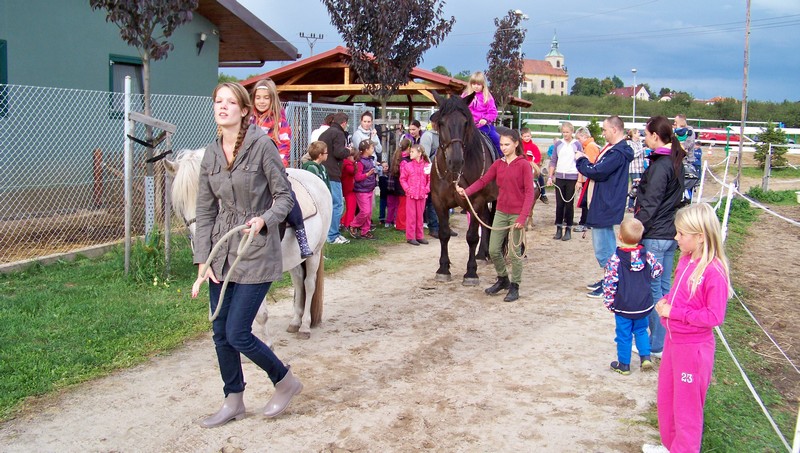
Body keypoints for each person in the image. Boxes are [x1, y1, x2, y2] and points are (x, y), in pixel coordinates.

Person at [191, 82, 302, 428]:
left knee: (239, 332)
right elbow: (205, 211)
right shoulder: (210, 154)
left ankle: (284, 381)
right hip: (221, 253)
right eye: (217, 101)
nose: (222, 107)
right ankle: (233, 399)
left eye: (229, 102)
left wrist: (265, 219)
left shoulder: (262, 146)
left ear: (243, 109)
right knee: (220, 332)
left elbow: (284, 197)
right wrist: (202, 261)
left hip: (256, 251)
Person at [643, 203, 731, 453]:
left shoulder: (714, 272)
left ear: (700, 237)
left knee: (687, 407)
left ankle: (686, 449)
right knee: (668, 397)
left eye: (681, 234)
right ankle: (672, 446)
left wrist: (676, 313)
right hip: (674, 341)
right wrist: (667, 301)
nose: (676, 238)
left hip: (693, 349)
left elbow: (714, 315)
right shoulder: (687, 260)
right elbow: (680, 293)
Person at [456, 127, 535, 302]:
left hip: (517, 214)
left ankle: (515, 285)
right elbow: (484, 180)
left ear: (516, 144)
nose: (504, 147)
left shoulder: (523, 165)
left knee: (514, 254)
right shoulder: (498, 164)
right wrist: (466, 192)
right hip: (501, 212)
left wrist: (523, 218)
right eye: (501, 145)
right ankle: (503, 279)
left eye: (507, 144)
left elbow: (529, 193)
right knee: (493, 250)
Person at [634, 115, 686, 359]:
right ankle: (665, 339)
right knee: (665, 288)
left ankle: (655, 344)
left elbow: (651, 203)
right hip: (669, 234)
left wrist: (635, 230)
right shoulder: (675, 162)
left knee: (655, 291)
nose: (645, 139)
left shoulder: (660, 165)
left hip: (654, 234)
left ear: (656, 136)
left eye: (646, 134)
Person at [250, 79, 312, 259]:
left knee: (288, 196)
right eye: (258, 98)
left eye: (266, 98)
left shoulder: (280, 121)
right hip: (250, 169)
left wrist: (275, 169)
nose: (261, 101)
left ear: (272, 100)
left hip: (273, 169)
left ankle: (302, 237)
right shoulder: (248, 120)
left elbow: (283, 147)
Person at [576, 115, 634, 299]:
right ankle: (608, 278)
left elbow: (598, 172)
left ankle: (611, 282)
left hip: (606, 203)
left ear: (615, 130)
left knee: (604, 247)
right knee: (604, 243)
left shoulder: (617, 152)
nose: (603, 133)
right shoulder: (614, 150)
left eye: (605, 129)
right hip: (606, 201)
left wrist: (581, 161)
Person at [602, 218, 663, 375]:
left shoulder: (615, 260)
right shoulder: (647, 255)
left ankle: (624, 364)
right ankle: (645, 358)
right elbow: (658, 271)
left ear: (620, 237)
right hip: (643, 304)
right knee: (641, 330)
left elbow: (609, 283)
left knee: (623, 335)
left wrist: (609, 302)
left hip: (624, 305)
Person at [546, 122, 582, 241]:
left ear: (572, 132)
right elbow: (553, 161)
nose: (565, 134)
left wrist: (579, 180)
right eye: (564, 132)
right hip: (560, 177)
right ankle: (558, 228)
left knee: (569, 204)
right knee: (559, 204)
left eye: (567, 132)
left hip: (572, 177)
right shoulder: (558, 144)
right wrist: (550, 177)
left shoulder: (576, 144)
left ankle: (568, 229)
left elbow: (580, 162)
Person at [320, 112, 352, 244]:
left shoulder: (325, 133)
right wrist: (348, 151)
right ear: (343, 123)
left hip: (322, 171)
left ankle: (323, 234)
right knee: (337, 204)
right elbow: (339, 152)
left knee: (325, 205)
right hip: (333, 173)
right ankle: (333, 235)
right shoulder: (339, 134)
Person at [462, 71, 501, 156]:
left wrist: (485, 119)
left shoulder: (487, 96)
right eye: (474, 84)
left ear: (483, 85)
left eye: (479, 84)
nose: (476, 86)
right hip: (467, 126)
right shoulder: (465, 96)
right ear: (470, 84)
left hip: (483, 126)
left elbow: (493, 112)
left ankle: (501, 157)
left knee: (496, 138)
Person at [400, 144, 431, 245]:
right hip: (411, 194)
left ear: (419, 153)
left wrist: (427, 189)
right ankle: (410, 236)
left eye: (412, 152)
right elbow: (402, 179)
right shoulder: (408, 166)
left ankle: (419, 236)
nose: (410, 153)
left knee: (420, 216)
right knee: (411, 216)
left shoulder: (427, 165)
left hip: (422, 194)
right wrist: (407, 189)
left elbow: (430, 179)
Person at [349, 139, 378, 240]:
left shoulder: (369, 159)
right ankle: (353, 225)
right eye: (372, 148)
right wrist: (367, 174)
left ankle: (365, 231)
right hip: (362, 190)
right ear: (366, 149)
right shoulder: (360, 162)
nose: (373, 149)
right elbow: (357, 177)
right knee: (365, 211)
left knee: (369, 212)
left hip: (369, 188)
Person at [573, 126, 600, 233]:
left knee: (586, 201)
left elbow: (587, 165)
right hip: (588, 178)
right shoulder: (591, 145)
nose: (578, 141)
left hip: (588, 179)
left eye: (579, 138)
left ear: (584, 136)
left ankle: (584, 223)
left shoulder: (589, 147)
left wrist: (579, 180)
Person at [420, 112, 442, 238]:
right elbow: (425, 156)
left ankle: (444, 226)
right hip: (431, 171)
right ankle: (434, 227)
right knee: (433, 201)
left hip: (443, 173)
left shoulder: (444, 134)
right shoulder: (428, 136)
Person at [385, 138, 412, 229]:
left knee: (401, 205)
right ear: (408, 148)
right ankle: (401, 225)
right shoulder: (405, 160)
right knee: (402, 206)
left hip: (399, 186)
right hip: (403, 187)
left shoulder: (399, 157)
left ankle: (401, 223)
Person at [521, 127, 548, 203]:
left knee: (540, 176)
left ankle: (543, 194)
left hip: (532, 165)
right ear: (522, 137)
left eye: (528, 136)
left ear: (531, 136)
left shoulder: (533, 146)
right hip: (522, 165)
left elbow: (538, 156)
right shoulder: (520, 146)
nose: (527, 138)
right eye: (525, 136)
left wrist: (533, 163)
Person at [627, 128, 645, 212]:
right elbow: (633, 154)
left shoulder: (640, 143)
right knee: (635, 187)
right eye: (637, 132)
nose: (639, 134)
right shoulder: (629, 143)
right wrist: (642, 149)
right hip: (634, 168)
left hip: (641, 168)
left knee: (641, 187)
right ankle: (630, 205)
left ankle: (638, 205)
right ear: (633, 134)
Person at [340, 147, 357, 231]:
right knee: (351, 207)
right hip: (349, 188)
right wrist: (354, 164)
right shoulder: (348, 164)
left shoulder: (343, 163)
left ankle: (343, 221)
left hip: (347, 187)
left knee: (349, 207)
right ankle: (348, 223)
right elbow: (352, 171)